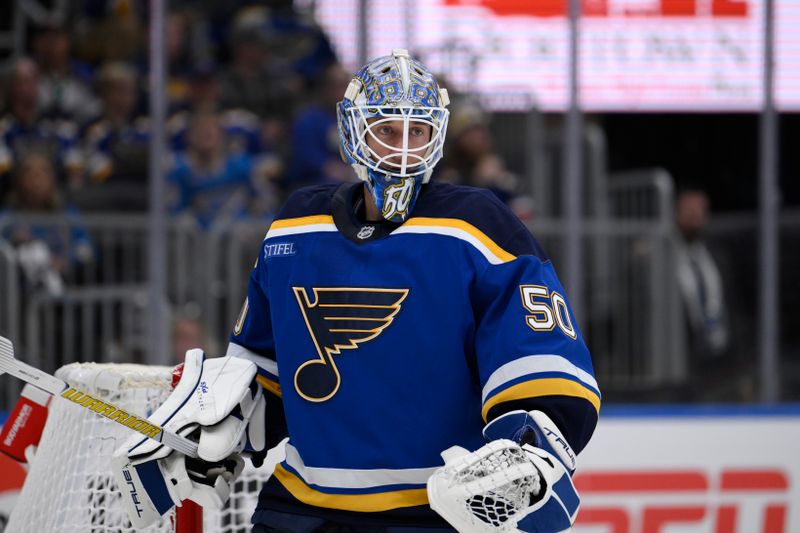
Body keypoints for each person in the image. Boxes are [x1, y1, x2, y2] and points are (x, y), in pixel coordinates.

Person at [112, 50, 599, 533]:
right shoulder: (295, 229)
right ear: (353, 131)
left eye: (418, 131)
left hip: (432, 511)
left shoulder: (478, 227)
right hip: (302, 505)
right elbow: (265, 371)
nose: (403, 148)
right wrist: (217, 432)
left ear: (438, 136)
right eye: (386, 129)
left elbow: (543, 360)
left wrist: (532, 453)